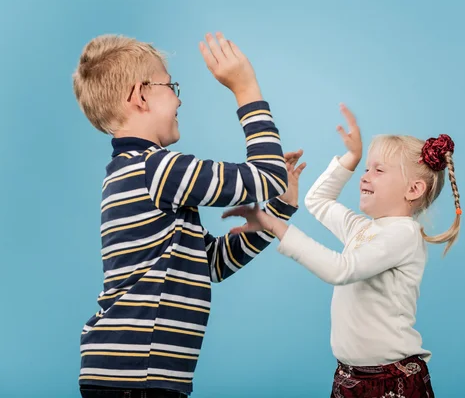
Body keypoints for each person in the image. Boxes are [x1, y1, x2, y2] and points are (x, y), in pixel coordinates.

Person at [73, 31, 305, 397]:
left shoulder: (133, 171)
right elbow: (268, 175)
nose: (179, 99)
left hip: (132, 374)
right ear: (140, 96)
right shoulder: (158, 170)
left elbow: (209, 264)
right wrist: (246, 88)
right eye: (170, 86)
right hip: (137, 377)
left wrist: (279, 209)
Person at [223, 104, 463, 397]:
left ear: (413, 190)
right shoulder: (362, 228)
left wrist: (275, 226)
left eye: (379, 170)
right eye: (365, 169)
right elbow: (318, 201)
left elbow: (341, 269)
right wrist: (350, 159)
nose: (365, 177)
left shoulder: (404, 234)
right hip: (350, 376)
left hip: (391, 380)